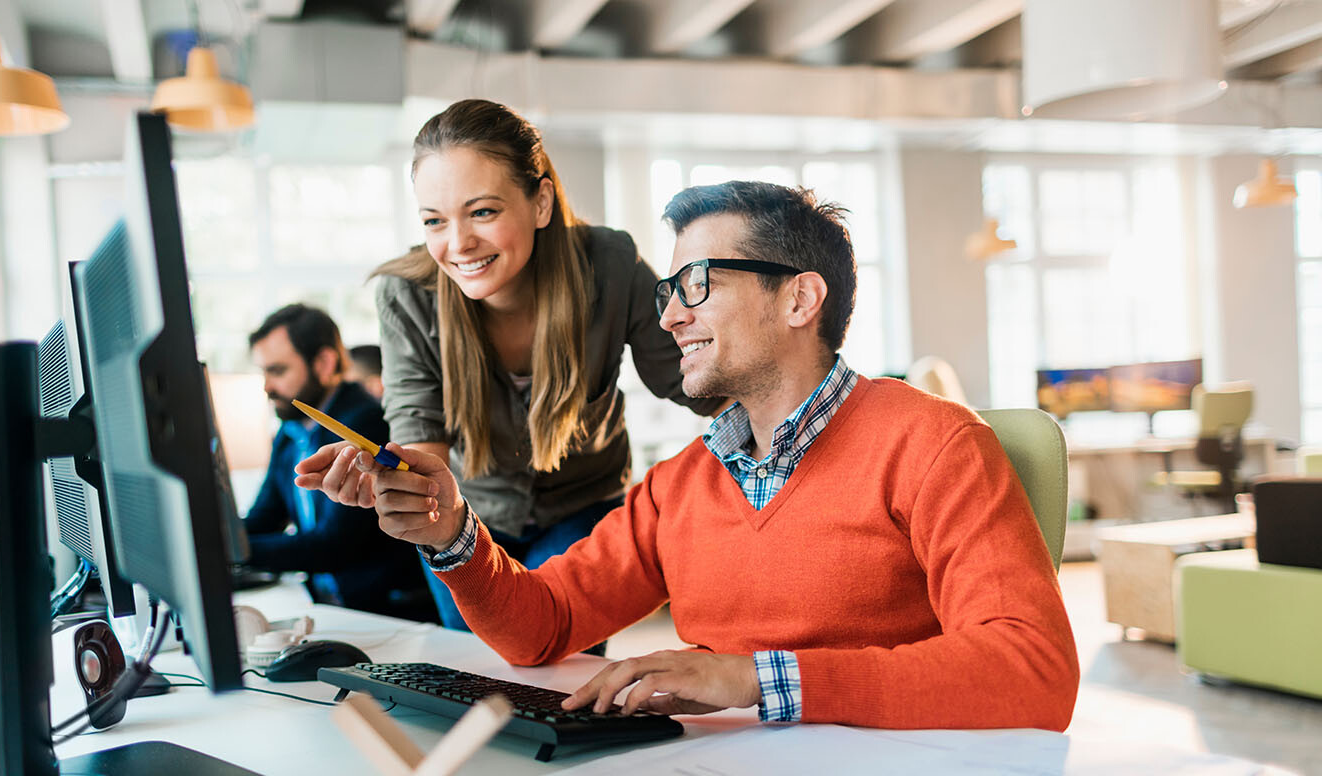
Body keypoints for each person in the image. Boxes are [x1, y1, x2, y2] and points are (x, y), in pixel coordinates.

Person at [299, 180, 1079, 730]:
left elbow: (1032, 668)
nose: (668, 315)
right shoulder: (682, 485)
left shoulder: (935, 443)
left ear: (799, 299)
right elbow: (544, 625)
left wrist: (753, 678)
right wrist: (451, 532)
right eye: (670, 287)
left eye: (696, 283)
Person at [301, 99, 724, 631]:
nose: (458, 245)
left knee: (560, 676)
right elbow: (420, 445)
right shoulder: (406, 294)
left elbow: (700, 386)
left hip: (582, 508)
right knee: (481, 672)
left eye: (483, 211)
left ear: (541, 201)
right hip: (469, 518)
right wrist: (393, 482)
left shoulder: (609, 265)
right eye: (435, 220)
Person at [245, 303, 435, 621]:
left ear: (323, 363)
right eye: (263, 372)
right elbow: (265, 517)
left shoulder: (363, 422)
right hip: (330, 607)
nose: (266, 386)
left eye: (277, 371)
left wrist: (230, 553)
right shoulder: (290, 431)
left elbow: (334, 545)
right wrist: (209, 539)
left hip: (385, 613)